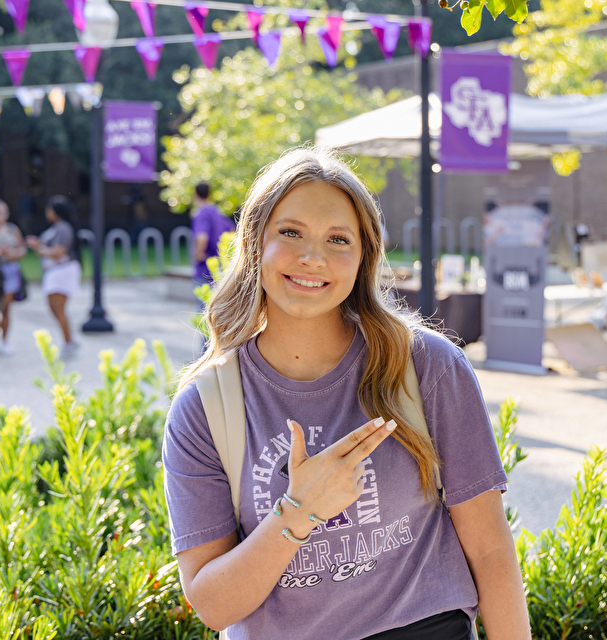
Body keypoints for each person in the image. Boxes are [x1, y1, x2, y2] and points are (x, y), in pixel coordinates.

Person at [162, 148, 531, 640]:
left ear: (363, 258)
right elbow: (212, 604)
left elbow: (490, 551)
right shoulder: (205, 408)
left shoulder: (427, 367)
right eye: (290, 232)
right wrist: (298, 511)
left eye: (338, 239)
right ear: (254, 244)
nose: (312, 257)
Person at [25, 196, 81, 359]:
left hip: (61, 271)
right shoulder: (57, 227)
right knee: (54, 308)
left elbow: (58, 252)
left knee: (58, 308)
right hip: (54, 272)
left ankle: (69, 342)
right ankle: (69, 339)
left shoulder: (63, 228)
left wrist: (39, 247)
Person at [0, 199, 26, 356]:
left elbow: (22, 250)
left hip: (9, 270)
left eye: (4, 212)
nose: (1, 216)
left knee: (6, 308)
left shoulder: (12, 229)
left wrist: (12, 254)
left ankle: (3, 341)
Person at [191, 181, 235, 288]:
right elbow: (232, 229)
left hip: (204, 267)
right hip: (219, 266)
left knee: (204, 302)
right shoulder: (217, 212)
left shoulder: (201, 214)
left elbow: (202, 237)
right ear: (209, 194)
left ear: (195, 195)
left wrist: (198, 254)